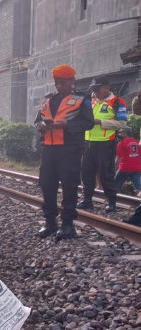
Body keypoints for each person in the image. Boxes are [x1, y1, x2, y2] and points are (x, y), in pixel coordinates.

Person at [34, 64, 94, 240]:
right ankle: (50, 222)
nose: (59, 86)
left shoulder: (81, 98)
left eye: (62, 82)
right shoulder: (47, 99)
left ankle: (68, 225)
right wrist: (41, 126)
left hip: (70, 149)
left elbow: (88, 123)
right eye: (56, 83)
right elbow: (37, 121)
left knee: (69, 185)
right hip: (49, 149)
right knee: (47, 184)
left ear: (72, 81)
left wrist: (67, 125)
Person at [77, 76, 128, 213]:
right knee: (86, 172)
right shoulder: (91, 102)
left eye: (97, 89)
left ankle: (111, 202)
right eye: (93, 89)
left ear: (106, 88)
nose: (95, 92)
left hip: (106, 143)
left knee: (106, 173)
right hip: (89, 142)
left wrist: (101, 122)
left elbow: (122, 123)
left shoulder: (117, 102)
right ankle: (87, 200)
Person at [114, 127, 141, 195]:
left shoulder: (122, 143)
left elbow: (118, 158)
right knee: (138, 188)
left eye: (121, 132)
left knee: (115, 185)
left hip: (124, 168)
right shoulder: (137, 142)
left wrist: (114, 167)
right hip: (137, 168)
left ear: (126, 133)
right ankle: (138, 201)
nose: (119, 133)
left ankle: (116, 200)